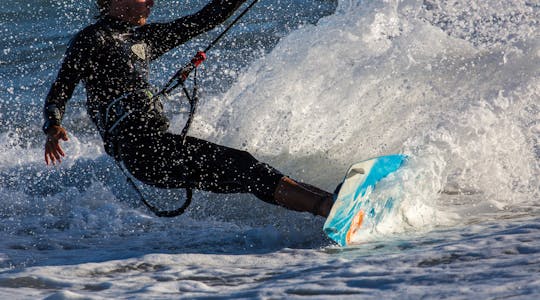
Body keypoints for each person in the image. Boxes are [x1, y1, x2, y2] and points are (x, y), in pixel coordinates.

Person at [43, 0, 334, 217]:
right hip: (143, 152)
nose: (151, 2)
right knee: (245, 167)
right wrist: (53, 124)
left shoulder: (143, 39)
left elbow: (205, 19)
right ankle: (328, 208)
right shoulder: (92, 40)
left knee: (249, 173)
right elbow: (61, 87)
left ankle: (330, 205)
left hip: (159, 146)